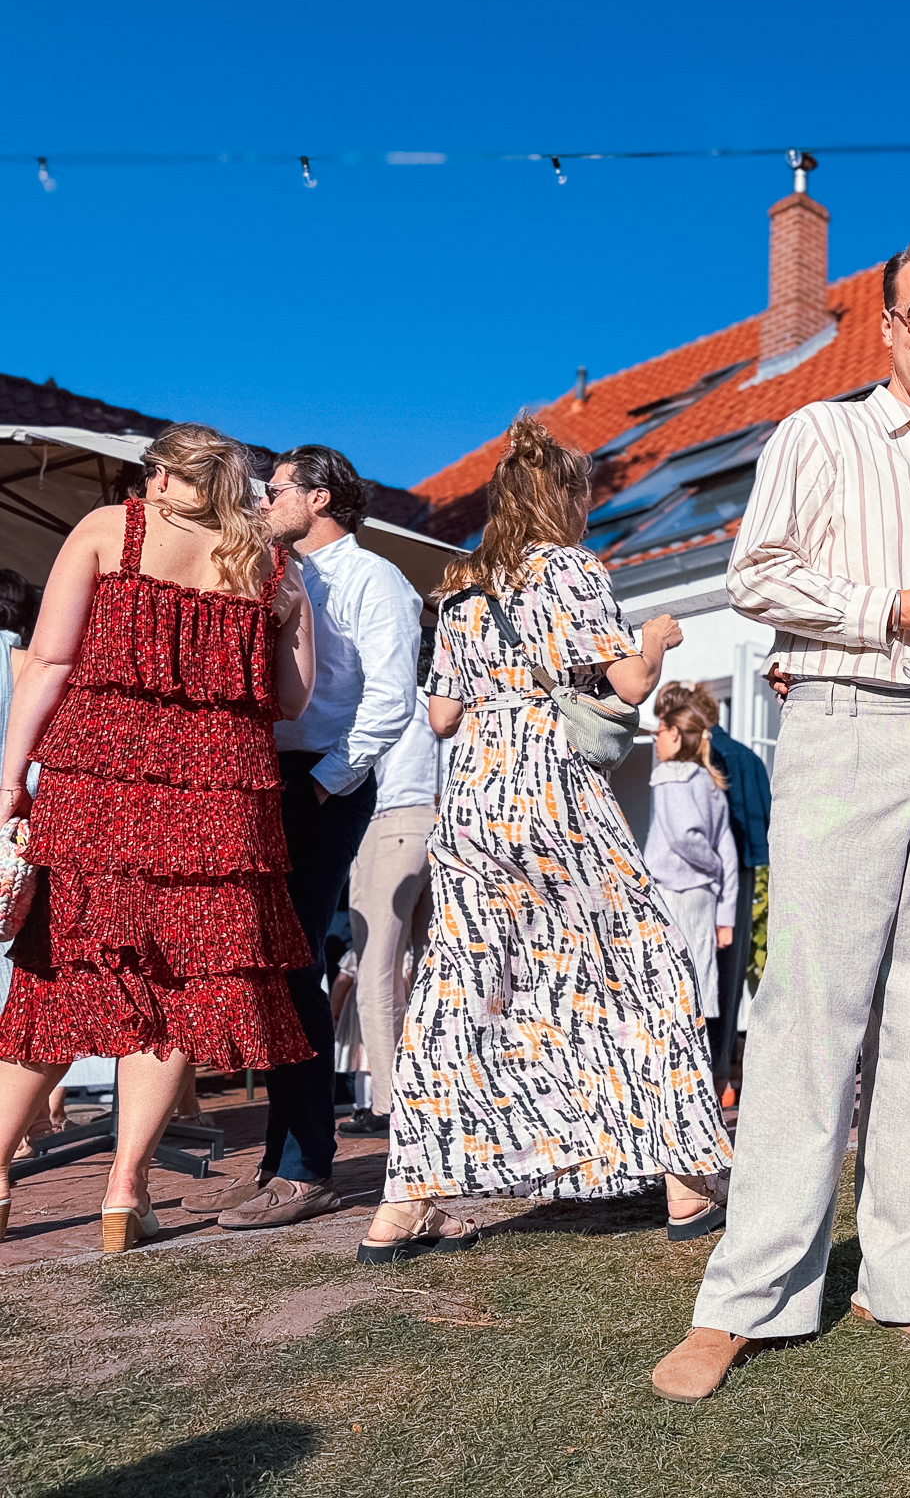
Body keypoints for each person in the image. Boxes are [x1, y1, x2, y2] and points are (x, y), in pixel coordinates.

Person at [653, 230, 910, 1402]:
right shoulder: (822, 434)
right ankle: (747, 1299)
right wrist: (885, 611)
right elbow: (753, 575)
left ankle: (903, 1275)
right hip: (848, 725)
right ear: (887, 323)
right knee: (811, 1017)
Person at [359, 416, 729, 1264]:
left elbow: (441, 716)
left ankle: (405, 1201)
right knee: (636, 961)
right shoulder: (572, 570)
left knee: (463, 985)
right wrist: (655, 641)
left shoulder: (461, 588)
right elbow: (629, 685)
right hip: (552, 786)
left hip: (474, 797)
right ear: (564, 498)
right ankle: (682, 1177)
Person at [0, 425, 317, 1250]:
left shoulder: (110, 529)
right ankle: (124, 1189)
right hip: (220, 796)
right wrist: (288, 618)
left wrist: (10, 780)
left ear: (170, 476)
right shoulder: (271, 563)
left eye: (151, 471)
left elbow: (48, 662)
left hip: (99, 781)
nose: (145, 484)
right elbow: (291, 700)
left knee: (60, 972)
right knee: (185, 980)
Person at [193, 445, 420, 1231]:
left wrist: (327, 780)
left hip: (321, 783)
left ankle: (306, 1169)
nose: (264, 502)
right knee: (268, 971)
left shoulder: (374, 579)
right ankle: (274, 1163)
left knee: (294, 967)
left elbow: (392, 696)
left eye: (277, 489)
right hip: (264, 779)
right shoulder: (275, 572)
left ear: (320, 498)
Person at [338, 643, 441, 1137]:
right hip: (438, 824)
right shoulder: (440, 703)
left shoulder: (384, 697)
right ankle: (430, 1091)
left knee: (377, 972)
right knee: (429, 972)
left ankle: (387, 1101)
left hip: (389, 823)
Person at [0, 569, 71, 1159]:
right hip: (25, 830)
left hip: (13, 817)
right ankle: (38, 1116)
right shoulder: (29, 661)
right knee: (29, 970)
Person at [647, 682, 739, 1043]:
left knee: (668, 985)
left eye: (658, 732)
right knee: (697, 977)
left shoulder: (670, 775)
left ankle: (672, 1062)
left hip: (673, 894)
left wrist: (710, 865)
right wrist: (725, 917)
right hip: (704, 897)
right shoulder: (709, 779)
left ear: (674, 734)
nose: (655, 741)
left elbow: (684, 837)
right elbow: (727, 850)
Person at [699, 687, 770, 1097]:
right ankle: (724, 1073)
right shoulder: (751, 757)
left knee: (705, 975)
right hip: (746, 870)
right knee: (733, 973)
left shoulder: (708, 757)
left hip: (710, 876)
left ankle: (710, 1076)